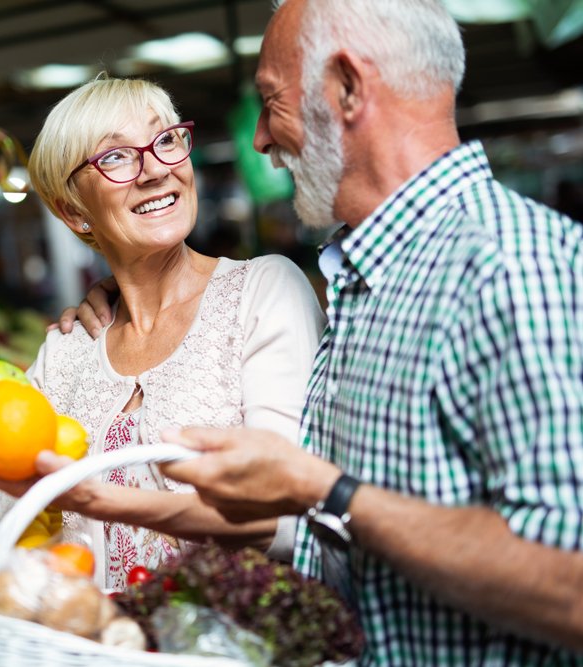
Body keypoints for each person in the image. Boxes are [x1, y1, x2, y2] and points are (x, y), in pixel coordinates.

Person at [124, 0, 582, 662]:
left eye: (270, 101)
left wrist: (325, 489)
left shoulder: (509, 267)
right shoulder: (372, 275)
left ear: (346, 87)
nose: (258, 139)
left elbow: (570, 582)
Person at [0, 75, 325, 590]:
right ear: (74, 212)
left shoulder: (263, 293)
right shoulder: (68, 350)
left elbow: (290, 514)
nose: (156, 170)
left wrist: (109, 503)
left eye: (166, 140)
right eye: (114, 157)